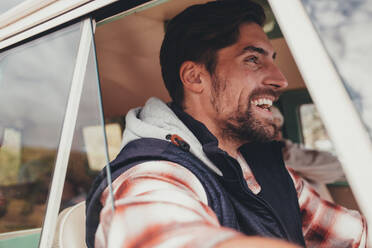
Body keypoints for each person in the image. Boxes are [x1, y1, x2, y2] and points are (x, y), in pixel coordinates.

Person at [86, 1, 367, 247]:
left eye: (273, 60)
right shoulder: (150, 174)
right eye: (253, 59)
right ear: (195, 78)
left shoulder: (264, 165)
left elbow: (350, 236)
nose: (280, 79)